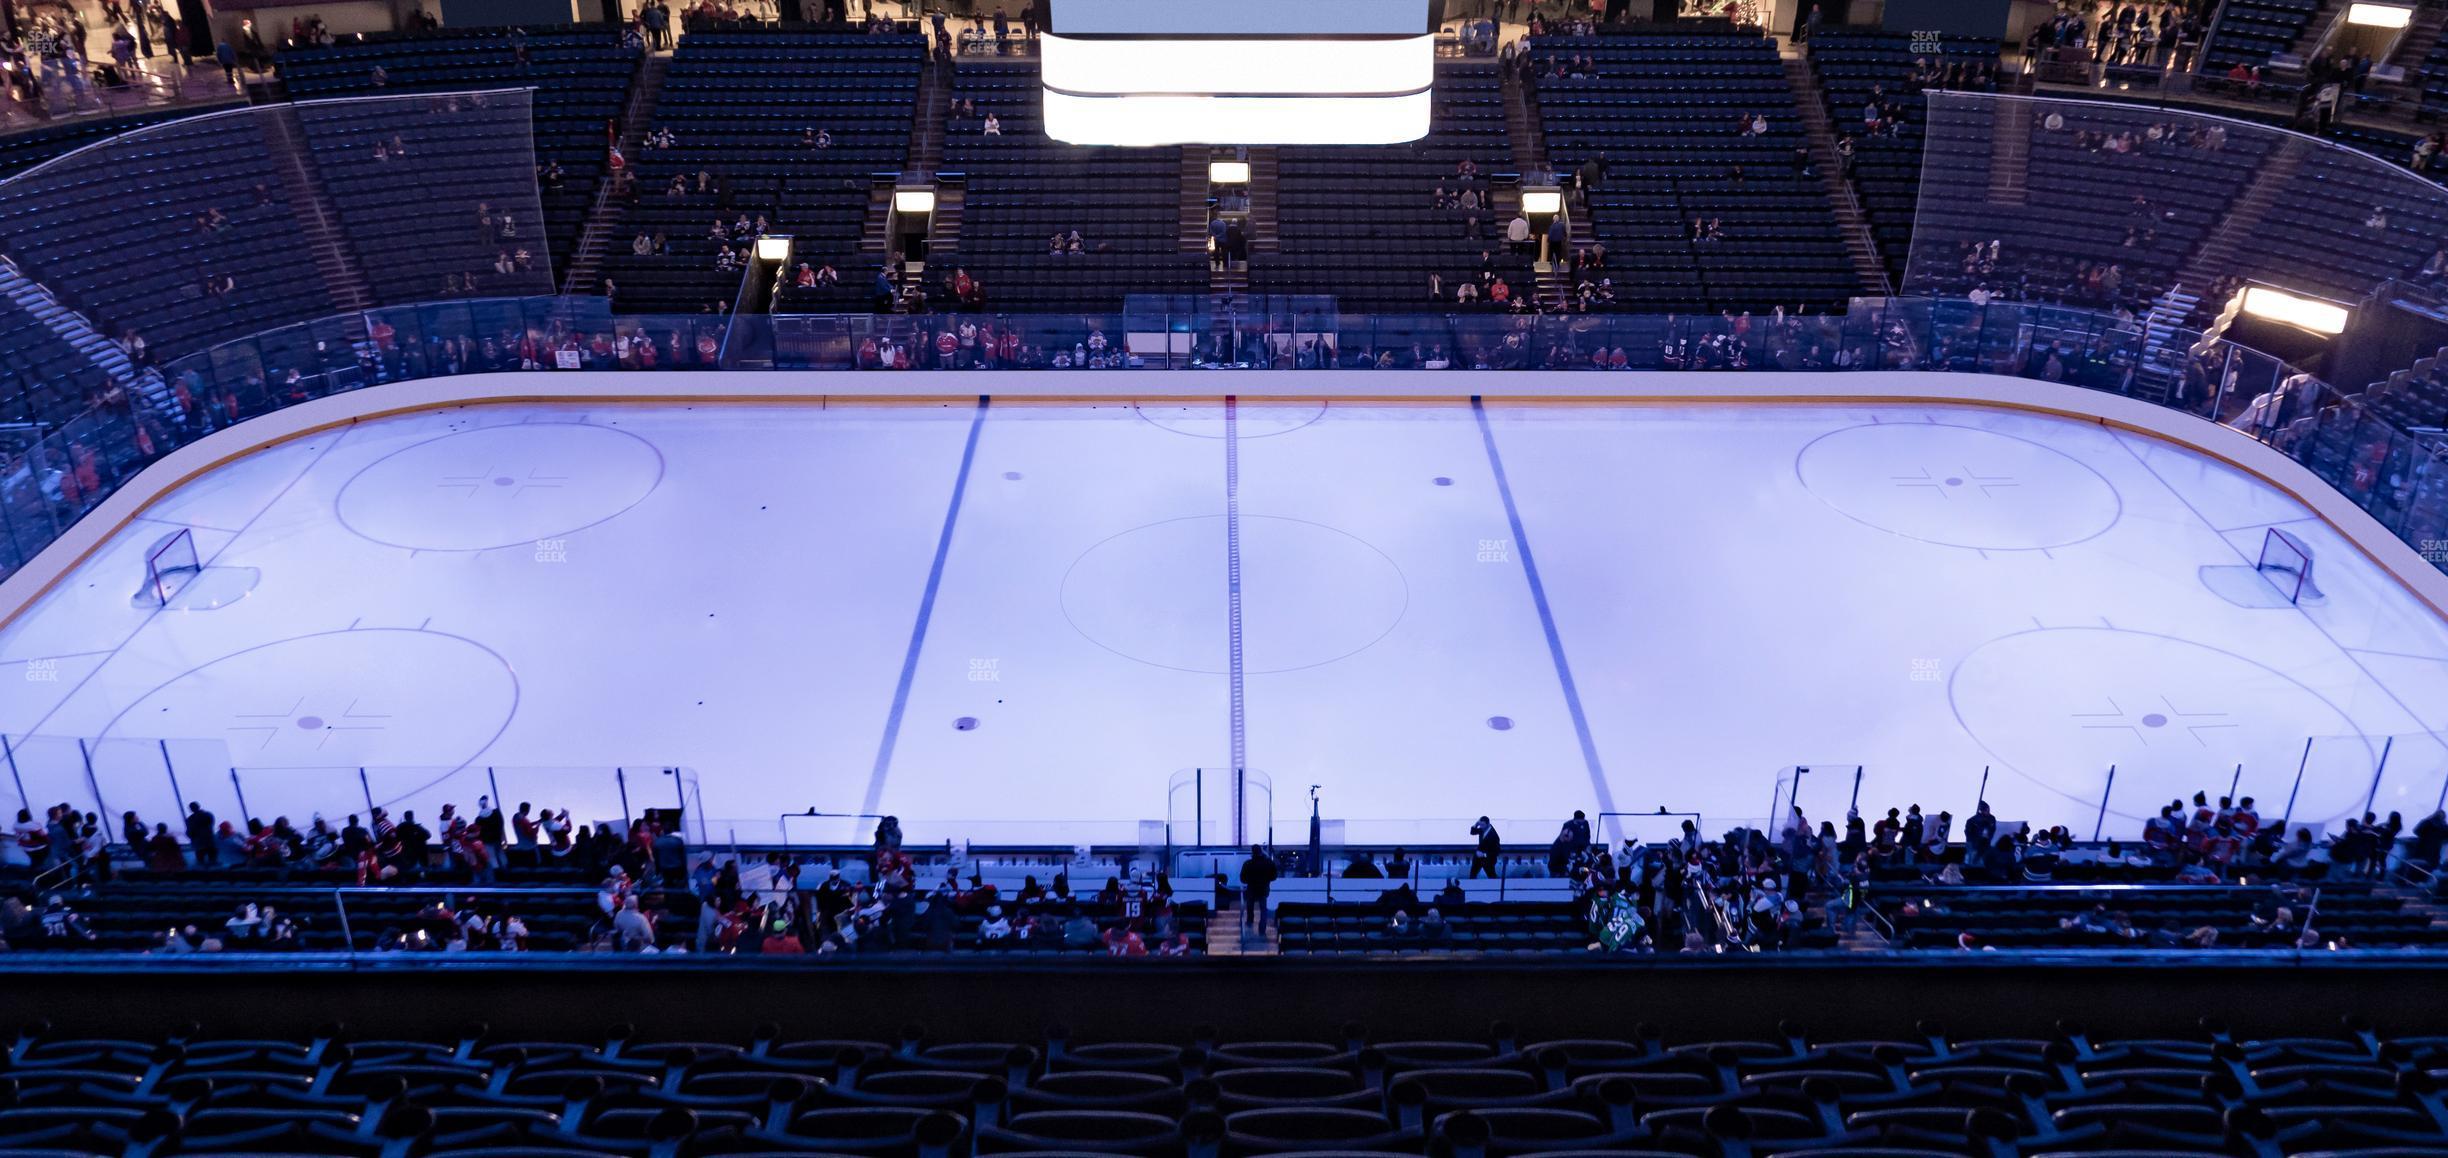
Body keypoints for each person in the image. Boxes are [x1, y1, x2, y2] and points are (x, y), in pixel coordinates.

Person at [1239, 844, 1278, 933]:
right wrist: (1266, 879)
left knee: (1250, 906)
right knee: (1263, 909)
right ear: (1261, 851)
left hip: (1251, 889)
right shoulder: (1269, 862)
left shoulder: (1248, 863)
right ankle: (1262, 928)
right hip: (1263, 888)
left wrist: (1250, 880)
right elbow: (1274, 876)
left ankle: (1250, 922)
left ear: (1252, 852)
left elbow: (1242, 878)